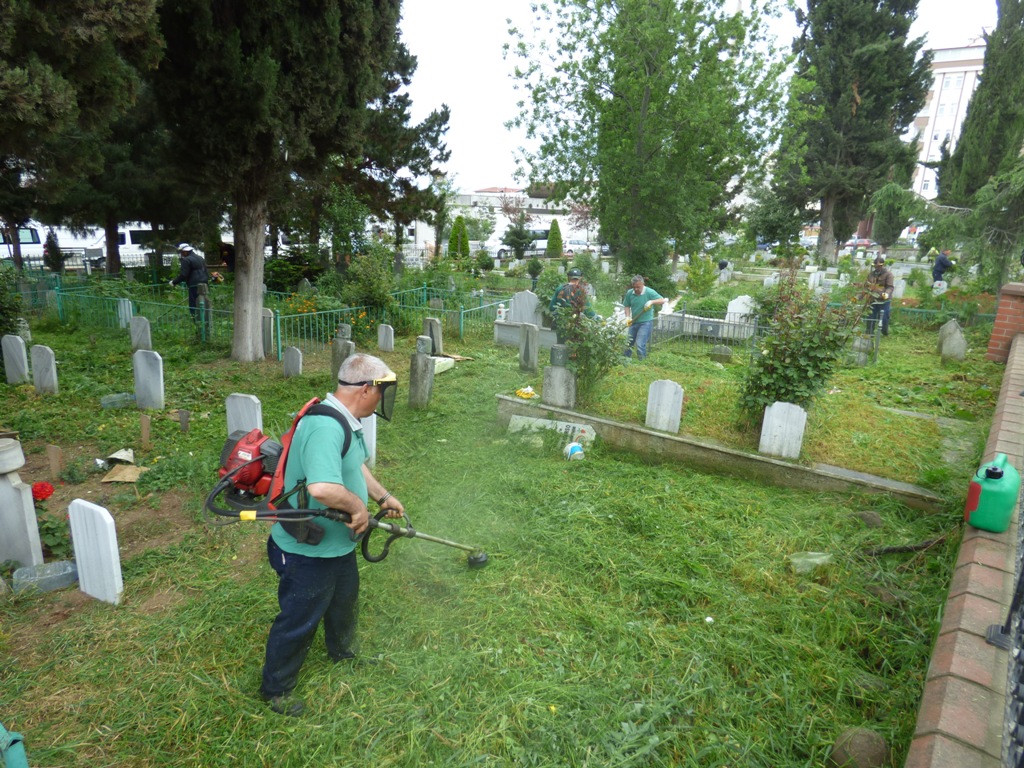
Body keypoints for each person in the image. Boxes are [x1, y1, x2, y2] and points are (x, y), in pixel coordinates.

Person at [260, 353, 404, 717]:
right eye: (381, 391)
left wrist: (381, 496)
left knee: (343, 601)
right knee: (299, 618)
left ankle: (342, 652)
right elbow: (323, 488)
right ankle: (276, 689)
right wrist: (358, 508)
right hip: (308, 552)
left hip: (336, 546)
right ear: (366, 389)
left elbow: (353, 464)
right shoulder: (326, 426)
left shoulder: (344, 419)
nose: (382, 399)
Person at [621, 275, 667, 360]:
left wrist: (651, 302)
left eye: (638, 287)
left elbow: (662, 300)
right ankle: (625, 360)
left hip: (646, 322)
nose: (636, 289)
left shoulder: (649, 292)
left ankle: (642, 361)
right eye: (634, 287)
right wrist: (627, 317)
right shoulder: (630, 293)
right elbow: (626, 305)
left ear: (643, 284)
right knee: (628, 342)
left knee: (640, 343)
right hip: (634, 321)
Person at [549, 267, 596, 344]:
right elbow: (588, 310)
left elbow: (551, 307)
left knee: (560, 345)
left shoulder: (560, 289)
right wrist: (597, 319)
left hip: (560, 323)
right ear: (580, 278)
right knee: (572, 346)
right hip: (575, 324)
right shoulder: (580, 291)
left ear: (568, 277)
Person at [169, 243, 209, 319]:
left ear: (185, 251)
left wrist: (174, 282)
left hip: (194, 284)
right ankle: (205, 319)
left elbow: (184, 275)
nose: (181, 254)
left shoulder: (186, 260)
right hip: (204, 283)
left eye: (181, 252)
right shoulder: (200, 258)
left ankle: (195, 320)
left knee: (194, 304)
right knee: (204, 302)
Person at [865, 255, 895, 337]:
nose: (877, 267)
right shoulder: (871, 274)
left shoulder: (888, 274)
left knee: (884, 317)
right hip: (873, 299)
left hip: (884, 300)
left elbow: (890, 287)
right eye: (875, 266)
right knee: (871, 316)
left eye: (879, 266)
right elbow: (867, 285)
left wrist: (886, 293)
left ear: (883, 265)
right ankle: (869, 333)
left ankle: (884, 332)